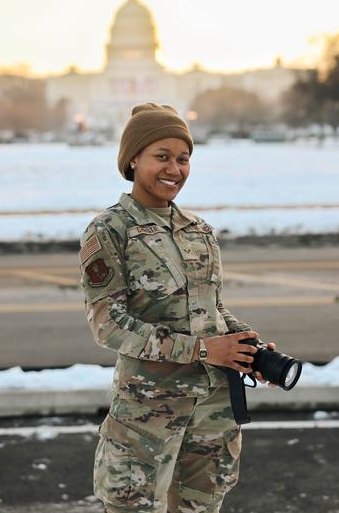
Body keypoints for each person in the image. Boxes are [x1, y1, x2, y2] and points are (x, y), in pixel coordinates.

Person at [79, 102, 275, 513]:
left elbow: (212, 308)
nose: (175, 169)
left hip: (210, 413)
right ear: (133, 159)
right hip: (148, 416)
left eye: (184, 159)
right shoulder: (111, 230)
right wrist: (201, 350)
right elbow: (108, 325)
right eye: (162, 157)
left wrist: (245, 345)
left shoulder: (198, 230)